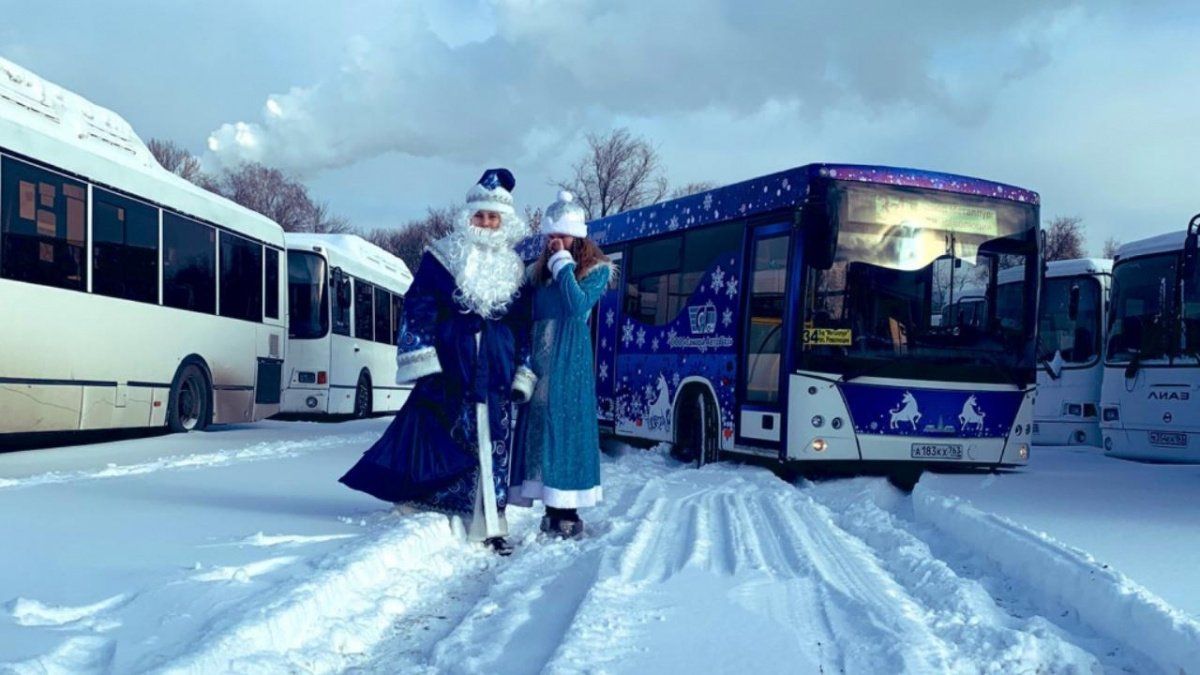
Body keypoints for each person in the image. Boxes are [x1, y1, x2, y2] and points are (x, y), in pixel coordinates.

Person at [339, 168, 536, 556]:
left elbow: (523, 323)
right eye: (479, 216)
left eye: (493, 217)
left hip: (496, 368)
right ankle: (441, 503)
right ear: (468, 218)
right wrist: (423, 357)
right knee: (446, 436)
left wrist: (523, 369)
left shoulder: (515, 268)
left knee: (493, 443)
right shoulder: (442, 257)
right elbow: (418, 306)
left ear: (504, 221)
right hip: (451, 367)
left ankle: (491, 523)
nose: (486, 223)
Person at [510, 190, 613, 538]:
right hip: (540, 362)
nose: (556, 242)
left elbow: (575, 305)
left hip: (570, 362)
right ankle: (550, 505)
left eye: (563, 236)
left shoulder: (594, 271)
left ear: (578, 237)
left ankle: (568, 508)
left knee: (568, 429)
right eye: (551, 237)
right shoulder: (536, 275)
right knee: (541, 432)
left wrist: (562, 263)